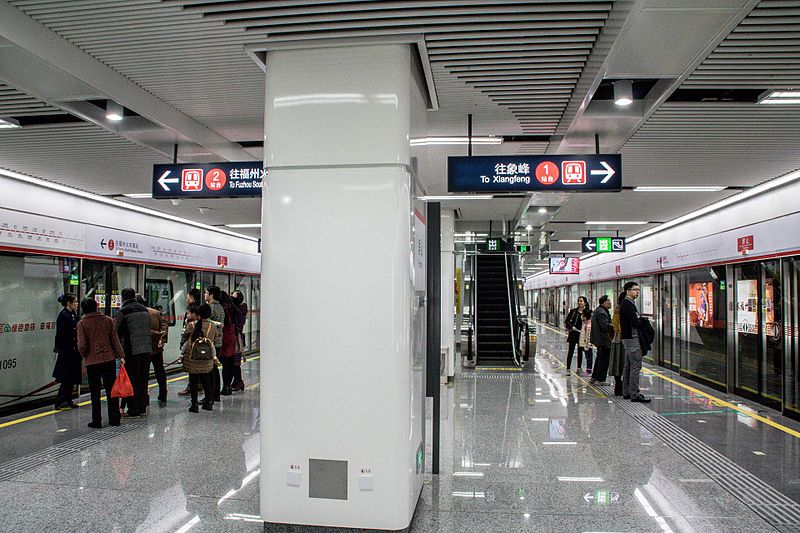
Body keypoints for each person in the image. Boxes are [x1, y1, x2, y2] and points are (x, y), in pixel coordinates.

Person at [77, 298, 123, 428]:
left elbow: (82, 345)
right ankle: (115, 418)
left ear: (84, 310)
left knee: (95, 391)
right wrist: (121, 355)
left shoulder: (82, 324)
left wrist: (85, 354)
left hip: (92, 361)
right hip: (109, 359)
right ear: (96, 307)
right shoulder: (108, 320)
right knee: (111, 390)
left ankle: (96, 420)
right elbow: (115, 340)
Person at [115, 288, 153, 417]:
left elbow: (116, 332)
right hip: (147, 350)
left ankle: (133, 408)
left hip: (132, 350)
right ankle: (142, 406)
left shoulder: (124, 312)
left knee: (131, 380)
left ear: (123, 297)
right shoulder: (144, 310)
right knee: (143, 379)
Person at [180, 304, 218, 413]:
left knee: (193, 381)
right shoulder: (213, 326)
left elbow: (185, 335)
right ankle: (208, 403)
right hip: (207, 358)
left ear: (199, 314)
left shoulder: (192, 325)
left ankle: (194, 405)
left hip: (193, 358)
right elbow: (215, 338)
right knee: (206, 380)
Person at [620, 281, 651, 403]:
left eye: (638, 290)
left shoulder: (627, 303)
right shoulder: (628, 304)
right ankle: (634, 394)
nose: (637, 292)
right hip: (632, 339)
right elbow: (635, 322)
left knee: (628, 366)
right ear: (628, 291)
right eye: (635, 289)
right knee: (635, 366)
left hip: (627, 338)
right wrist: (643, 321)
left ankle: (627, 391)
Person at [53, 293, 81, 410]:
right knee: (66, 377)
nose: (77, 304)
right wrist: (59, 348)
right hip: (67, 351)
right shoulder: (63, 316)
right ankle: (60, 401)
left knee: (71, 377)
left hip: (73, 351)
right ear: (69, 303)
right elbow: (60, 334)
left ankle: (68, 399)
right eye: (75, 302)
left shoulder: (72, 315)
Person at [140, 296, 168, 405]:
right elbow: (164, 326)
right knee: (160, 371)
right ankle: (163, 393)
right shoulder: (155, 313)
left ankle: (144, 396)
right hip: (156, 347)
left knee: (143, 373)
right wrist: (162, 339)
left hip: (143, 349)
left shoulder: (137, 314)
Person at [178, 288, 203, 397]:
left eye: (188, 297)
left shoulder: (194, 312)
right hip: (194, 343)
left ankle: (192, 386)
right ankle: (198, 385)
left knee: (192, 366)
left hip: (191, 343)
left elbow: (187, 332)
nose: (186, 299)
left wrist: (183, 343)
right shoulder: (199, 309)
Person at [218, 291, 242, 396]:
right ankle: (227, 386)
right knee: (230, 364)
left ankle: (225, 388)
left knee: (225, 364)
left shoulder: (222, 310)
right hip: (232, 337)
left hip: (224, 338)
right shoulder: (234, 309)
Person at [205, 285, 224, 402]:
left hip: (212, 341)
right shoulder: (221, 307)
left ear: (211, 295)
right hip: (219, 341)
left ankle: (212, 395)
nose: (205, 295)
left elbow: (208, 322)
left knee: (210, 369)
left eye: (206, 293)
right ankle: (215, 394)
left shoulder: (211, 308)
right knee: (214, 369)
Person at [589, 295, 613, 385]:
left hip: (600, 339)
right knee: (604, 360)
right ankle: (600, 380)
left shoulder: (599, 310)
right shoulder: (601, 312)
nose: (610, 303)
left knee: (599, 359)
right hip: (603, 340)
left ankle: (594, 377)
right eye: (608, 301)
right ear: (603, 303)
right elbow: (605, 326)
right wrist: (612, 325)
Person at [608, 291, 626, 396]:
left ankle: (618, 386)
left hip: (616, 339)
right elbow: (619, 327)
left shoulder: (616, 310)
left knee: (617, 363)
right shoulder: (620, 311)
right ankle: (620, 386)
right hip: (620, 340)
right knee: (621, 363)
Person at [564, 296, 587, 375]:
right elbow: (567, 321)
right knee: (571, 350)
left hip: (582, 334)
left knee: (580, 351)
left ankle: (579, 368)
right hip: (573, 333)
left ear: (585, 303)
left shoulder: (586, 312)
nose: (580, 302)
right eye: (579, 301)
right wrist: (571, 327)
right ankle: (568, 368)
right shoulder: (573, 311)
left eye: (581, 301)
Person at [231, 290, 248, 391]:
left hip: (237, 339)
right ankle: (237, 381)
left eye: (234, 297)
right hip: (238, 338)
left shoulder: (238, 311)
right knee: (235, 362)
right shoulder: (241, 309)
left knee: (235, 362)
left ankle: (238, 382)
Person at [579, 308, 594, 375]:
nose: (581, 316)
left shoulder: (588, 325)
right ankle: (588, 369)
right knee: (587, 357)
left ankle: (589, 370)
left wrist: (587, 345)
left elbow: (588, 336)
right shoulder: (585, 324)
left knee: (589, 357)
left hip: (587, 345)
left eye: (582, 315)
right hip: (586, 344)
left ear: (585, 317)